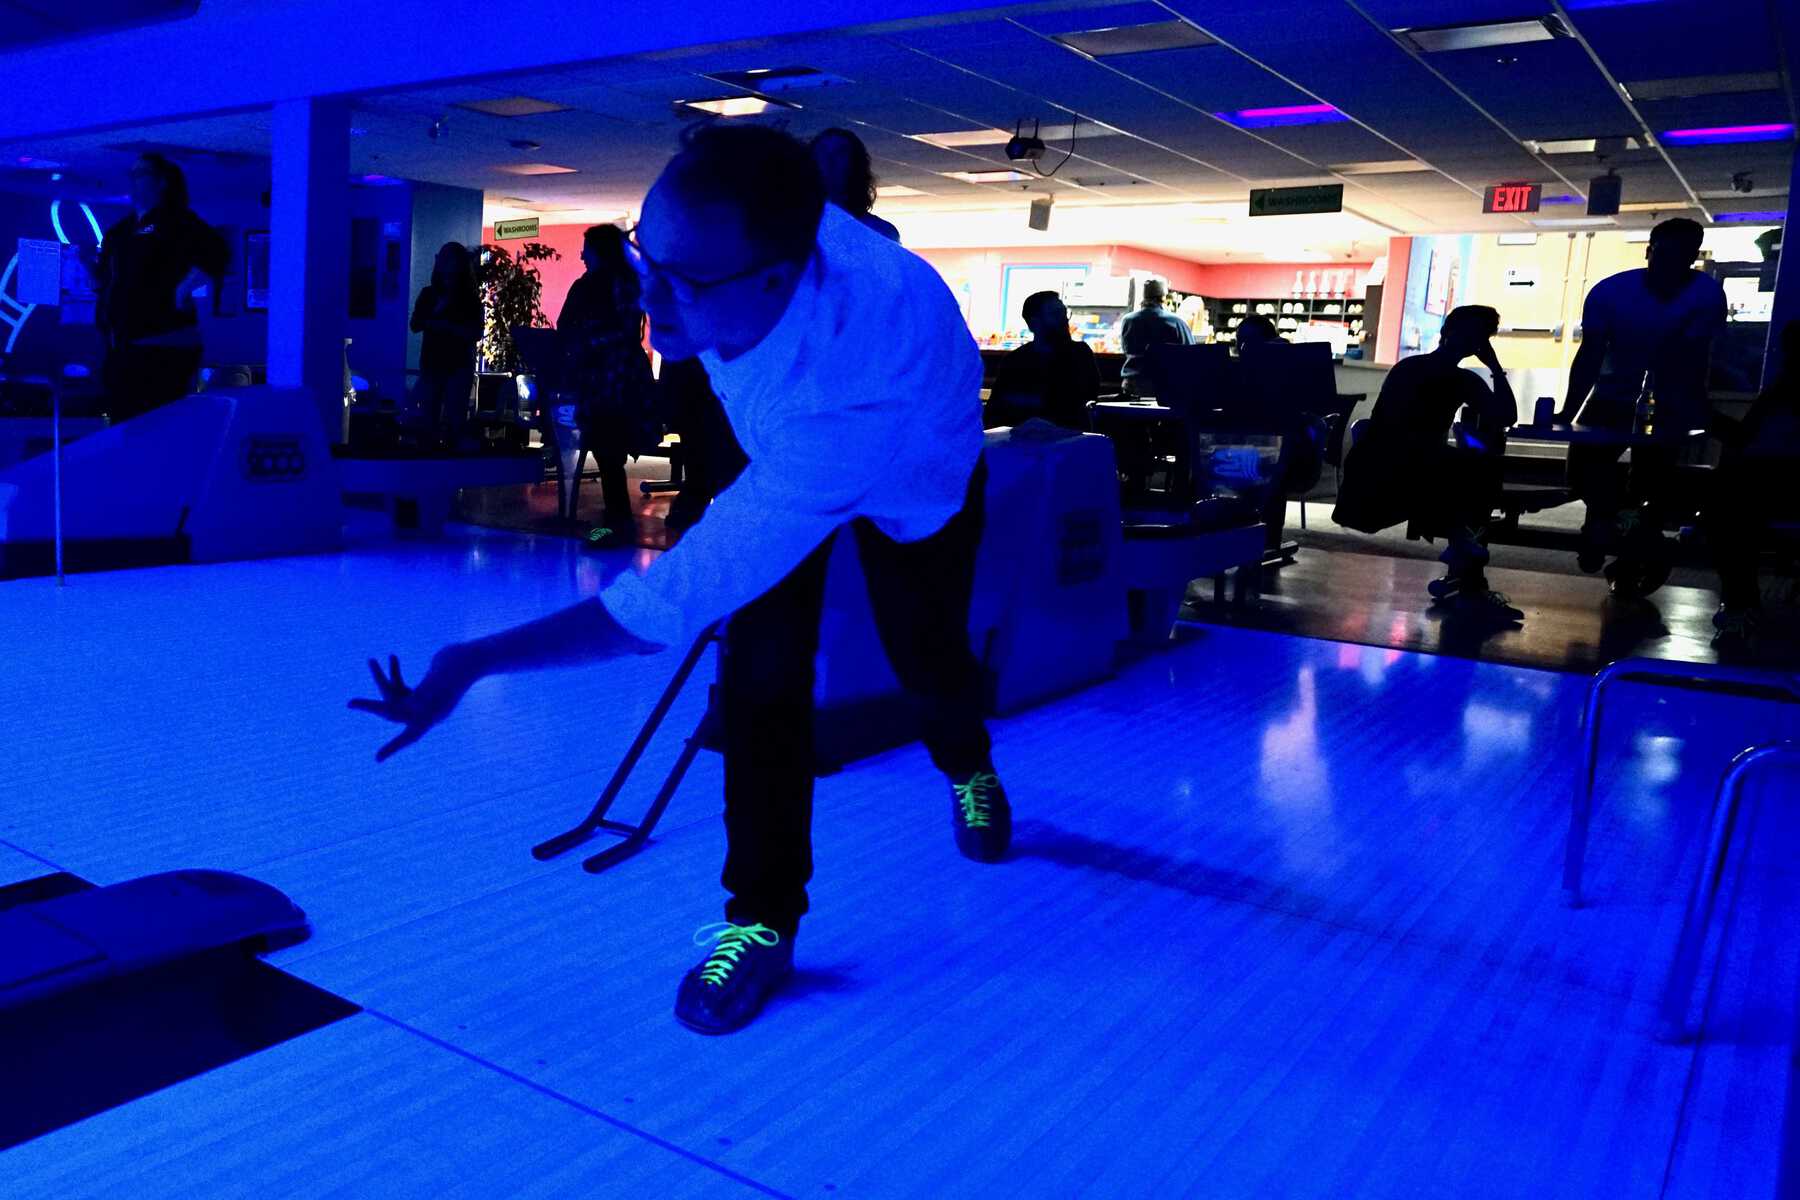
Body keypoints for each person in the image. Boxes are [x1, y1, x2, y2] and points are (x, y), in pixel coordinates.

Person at [350, 124, 1009, 1036]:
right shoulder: (732, 278)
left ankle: (967, 764)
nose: (647, 296)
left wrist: (475, 660)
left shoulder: (857, 393)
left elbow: (665, 602)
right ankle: (761, 922)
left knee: (923, 654)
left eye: (683, 282)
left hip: (913, 483)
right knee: (762, 676)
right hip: (786, 442)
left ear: (778, 279)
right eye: (642, 256)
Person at [1556, 217, 1727, 591]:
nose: (1670, 263)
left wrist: (1692, 405)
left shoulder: (1702, 296)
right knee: (1587, 472)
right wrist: (1568, 413)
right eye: (1665, 254)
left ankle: (1612, 532)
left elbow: (1694, 359)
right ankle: (1617, 529)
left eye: (1680, 255)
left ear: (1692, 257)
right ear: (1650, 251)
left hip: (1662, 400)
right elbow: (1590, 356)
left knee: (1646, 481)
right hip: (1622, 395)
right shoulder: (1616, 293)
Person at [1333, 305, 1523, 620]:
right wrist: (1494, 365)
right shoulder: (1460, 379)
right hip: (1406, 472)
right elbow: (1506, 415)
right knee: (1482, 475)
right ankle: (1466, 557)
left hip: (1374, 468)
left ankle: (1463, 551)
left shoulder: (1408, 367)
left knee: (1469, 475)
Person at [95, 153, 229, 423]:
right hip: (123, 346)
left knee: (155, 426)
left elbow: (218, 253)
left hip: (164, 346)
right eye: (131, 174)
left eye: (141, 174)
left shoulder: (177, 221)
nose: (133, 181)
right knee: (126, 424)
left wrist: (182, 290)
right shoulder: (119, 232)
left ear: (162, 182)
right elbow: (108, 279)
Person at [556, 224, 659, 548]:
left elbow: (599, 330)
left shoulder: (607, 286)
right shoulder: (620, 284)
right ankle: (616, 523)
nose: (583, 255)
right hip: (613, 378)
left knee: (606, 449)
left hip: (608, 379)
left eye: (588, 248)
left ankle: (616, 525)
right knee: (607, 451)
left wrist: (586, 344)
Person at [1704, 320, 1800, 649]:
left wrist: (1706, 418)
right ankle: (1743, 604)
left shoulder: (1784, 389)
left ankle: (1741, 605)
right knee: (1729, 511)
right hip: (1772, 480)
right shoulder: (1783, 388)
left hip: (1773, 483)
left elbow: (1749, 439)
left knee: (1728, 517)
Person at [987, 290, 1099, 432]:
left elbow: (1080, 400)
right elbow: (996, 409)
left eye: (1064, 313)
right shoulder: (1014, 361)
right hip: (1024, 443)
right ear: (1034, 322)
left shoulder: (1080, 354)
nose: (1064, 319)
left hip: (1065, 442)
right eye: (1056, 314)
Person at [409, 242, 482, 450]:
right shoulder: (435, 295)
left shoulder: (464, 299)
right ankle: (439, 460)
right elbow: (415, 324)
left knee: (449, 419)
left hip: (451, 365)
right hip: (441, 364)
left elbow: (475, 332)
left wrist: (440, 323)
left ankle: (438, 460)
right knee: (433, 418)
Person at [810, 127, 901, 243]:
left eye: (839, 154)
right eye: (822, 152)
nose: (829, 160)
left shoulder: (879, 231)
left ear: (855, 165)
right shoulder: (792, 226)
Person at [1118, 278, 1192, 395]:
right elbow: (1190, 354)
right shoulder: (1175, 322)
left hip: (1132, 385)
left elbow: (1125, 348)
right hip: (1162, 386)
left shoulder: (1128, 320)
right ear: (1163, 297)